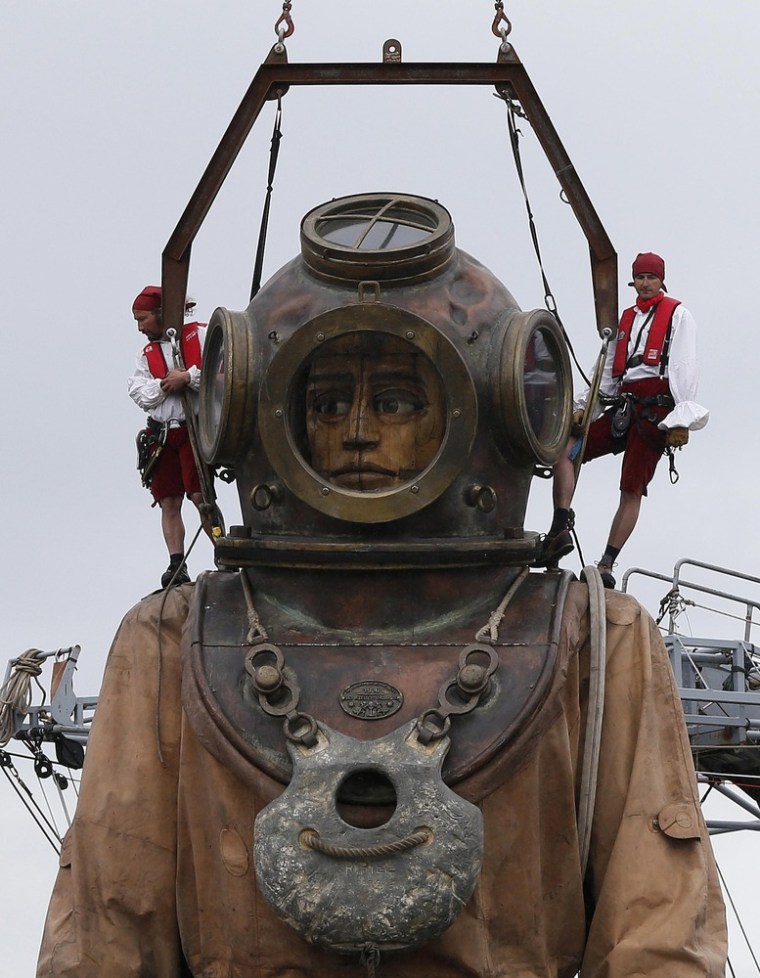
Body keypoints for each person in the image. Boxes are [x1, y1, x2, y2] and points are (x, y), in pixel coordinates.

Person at [37, 199, 725, 977]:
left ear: (491, 409)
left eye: (397, 402)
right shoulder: (171, 644)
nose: (357, 430)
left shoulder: (598, 643)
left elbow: (661, 943)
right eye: (327, 403)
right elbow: (104, 938)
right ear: (263, 412)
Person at [543, 252, 708, 589]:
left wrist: (681, 417)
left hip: (656, 414)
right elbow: (607, 369)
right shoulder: (626, 320)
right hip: (624, 406)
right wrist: (584, 408)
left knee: (630, 488)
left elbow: (683, 365)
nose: (646, 283)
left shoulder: (678, 314)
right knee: (567, 447)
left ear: (662, 280)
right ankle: (560, 522)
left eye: (651, 277)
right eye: (641, 278)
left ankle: (607, 562)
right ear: (634, 281)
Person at [128, 285, 211, 588]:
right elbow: (139, 392)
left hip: (192, 429)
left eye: (143, 319)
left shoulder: (200, 335)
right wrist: (167, 383)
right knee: (169, 500)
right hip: (162, 435)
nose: (140, 328)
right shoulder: (146, 354)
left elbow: (220, 373)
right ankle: (177, 561)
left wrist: (189, 377)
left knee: (201, 496)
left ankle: (222, 549)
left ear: (161, 314)